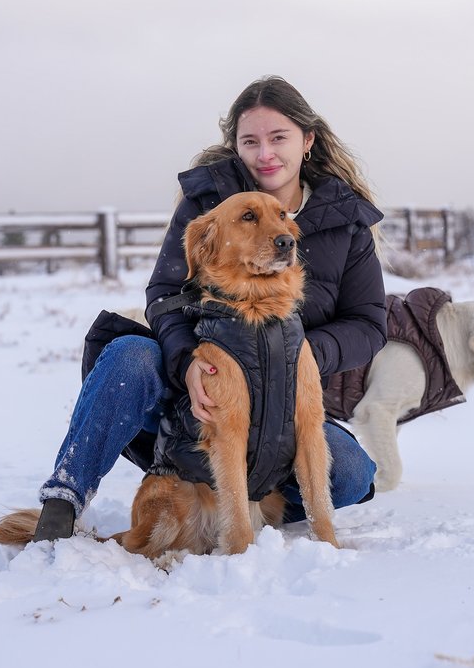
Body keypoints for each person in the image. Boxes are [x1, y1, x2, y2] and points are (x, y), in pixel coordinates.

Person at [33, 76, 387, 542]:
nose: (266, 154)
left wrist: (297, 353)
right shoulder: (208, 200)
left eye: (278, 138)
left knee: (353, 475)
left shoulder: (346, 219)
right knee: (127, 355)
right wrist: (187, 361)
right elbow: (164, 292)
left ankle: (248, 502)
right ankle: (63, 502)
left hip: (285, 398)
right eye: (250, 141)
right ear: (235, 146)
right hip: (197, 387)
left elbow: (368, 324)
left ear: (308, 140)